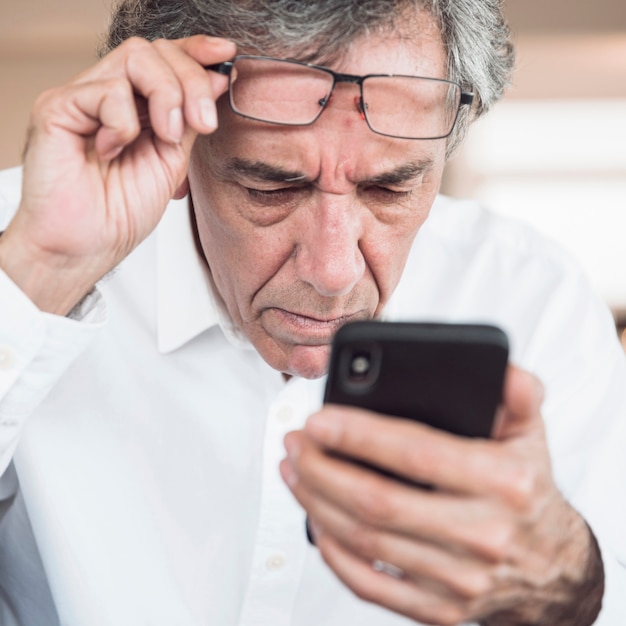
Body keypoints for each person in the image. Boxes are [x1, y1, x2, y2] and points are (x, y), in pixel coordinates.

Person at [0, 0, 625, 624]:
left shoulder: (537, 296)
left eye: (390, 187)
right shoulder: (28, 233)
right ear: (181, 141)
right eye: (271, 187)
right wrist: (39, 273)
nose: (333, 272)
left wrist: (562, 587)